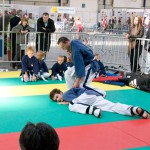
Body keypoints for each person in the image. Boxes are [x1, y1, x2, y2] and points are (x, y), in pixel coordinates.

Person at [49, 87, 150, 119]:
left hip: (87, 95)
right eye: (56, 100)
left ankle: (93, 111)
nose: (58, 100)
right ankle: (133, 110)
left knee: (71, 107)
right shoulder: (69, 98)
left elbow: (78, 90)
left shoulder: (67, 93)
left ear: (60, 92)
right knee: (112, 107)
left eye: (57, 97)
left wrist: (68, 103)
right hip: (93, 98)